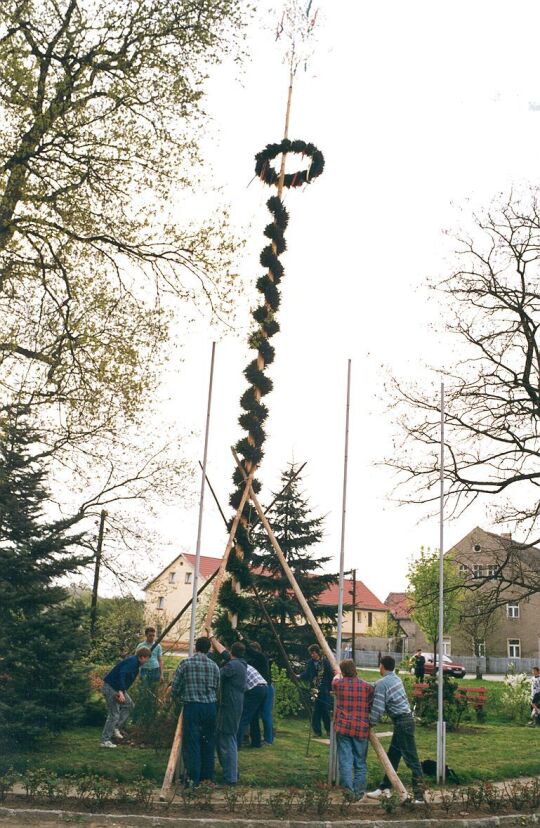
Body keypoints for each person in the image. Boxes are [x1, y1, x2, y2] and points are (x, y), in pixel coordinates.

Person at [366, 655, 424, 802]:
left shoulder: (382, 684)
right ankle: (384, 787)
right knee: (392, 756)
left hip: (402, 723)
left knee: (412, 759)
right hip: (405, 721)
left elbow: (378, 708)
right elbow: (374, 685)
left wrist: (370, 723)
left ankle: (419, 796)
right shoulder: (395, 678)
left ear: (382, 666)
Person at [170, 636, 220, 786]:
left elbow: (176, 687)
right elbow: (217, 688)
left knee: (192, 742)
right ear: (209, 649)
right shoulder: (214, 666)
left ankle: (193, 779)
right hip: (210, 707)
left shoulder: (185, 663)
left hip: (192, 706)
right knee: (208, 741)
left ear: (196, 648)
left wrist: (177, 697)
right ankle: (207, 778)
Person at [331, 658, 373, 801]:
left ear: (343, 672)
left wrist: (337, 674)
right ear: (355, 669)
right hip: (361, 728)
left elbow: (335, 680)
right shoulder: (367, 687)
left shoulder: (338, 684)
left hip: (343, 727)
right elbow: (371, 703)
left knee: (345, 760)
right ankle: (359, 792)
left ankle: (348, 792)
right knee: (360, 762)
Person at [209, 634, 247, 785]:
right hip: (234, 705)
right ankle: (231, 773)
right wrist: (212, 639)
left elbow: (215, 673)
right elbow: (224, 653)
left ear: (233, 652)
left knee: (227, 739)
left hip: (229, 706)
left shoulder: (232, 666)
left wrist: (210, 654)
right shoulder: (241, 663)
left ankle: (230, 778)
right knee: (224, 738)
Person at [100, 648, 151, 748]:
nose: (147, 661)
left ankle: (115, 727)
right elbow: (122, 674)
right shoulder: (132, 662)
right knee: (114, 714)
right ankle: (105, 740)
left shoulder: (136, 664)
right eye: (147, 659)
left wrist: (122, 691)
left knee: (129, 705)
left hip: (118, 688)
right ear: (142, 657)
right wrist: (120, 691)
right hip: (111, 687)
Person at [299, 644, 333, 737]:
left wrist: (330, 688)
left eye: (313, 653)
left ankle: (329, 730)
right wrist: (299, 676)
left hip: (324, 689)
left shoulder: (325, 662)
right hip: (314, 690)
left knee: (325, 711)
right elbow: (307, 673)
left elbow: (330, 675)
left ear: (317, 652)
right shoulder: (310, 663)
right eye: (311, 653)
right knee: (315, 711)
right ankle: (317, 731)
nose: (312, 655)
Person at [244, 640, 274, 745]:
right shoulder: (253, 661)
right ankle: (254, 738)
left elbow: (250, 652)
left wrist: (242, 640)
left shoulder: (262, 657)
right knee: (255, 714)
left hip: (267, 687)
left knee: (266, 714)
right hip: (259, 687)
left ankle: (268, 739)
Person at [237, 662, 268, 749]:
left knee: (243, 717)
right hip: (263, 688)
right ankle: (256, 742)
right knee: (254, 717)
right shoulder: (245, 665)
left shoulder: (238, 667)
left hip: (255, 689)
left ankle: (237, 744)